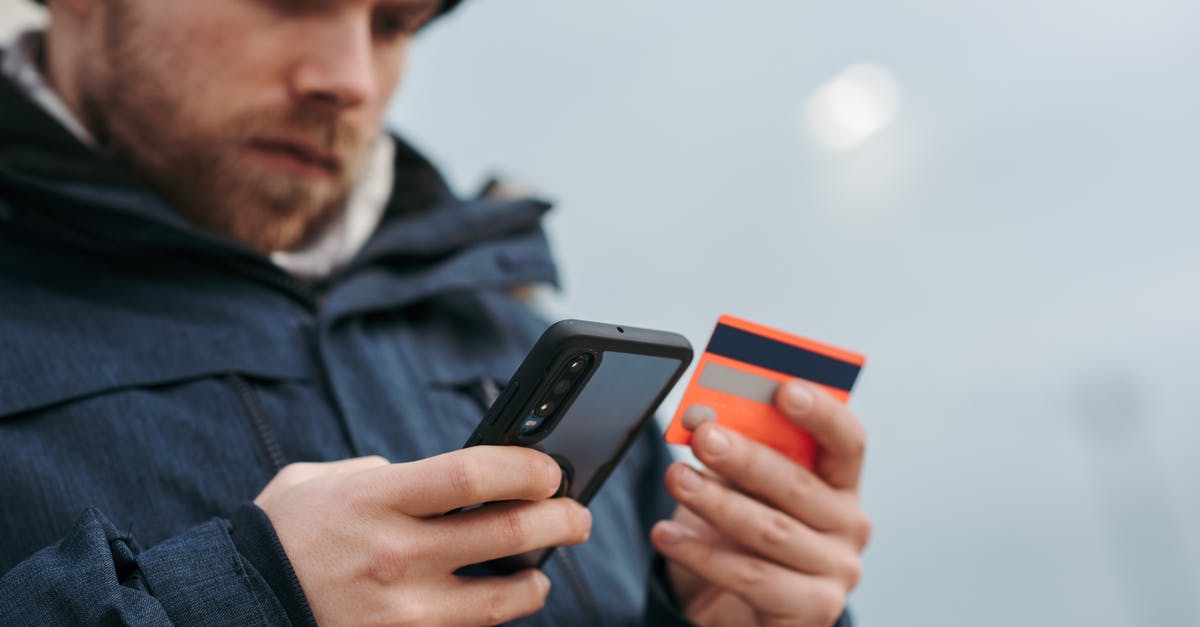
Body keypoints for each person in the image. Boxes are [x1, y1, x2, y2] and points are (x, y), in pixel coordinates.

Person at [0, 1, 871, 625]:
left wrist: (732, 613)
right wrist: (242, 596)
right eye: (291, 2)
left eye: (393, 24)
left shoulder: (502, 319)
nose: (348, 80)